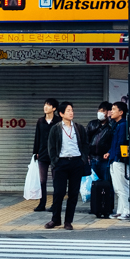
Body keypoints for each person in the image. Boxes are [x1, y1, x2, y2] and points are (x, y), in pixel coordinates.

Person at [45, 101, 89, 230]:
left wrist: (83, 159)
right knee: (59, 192)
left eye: (72, 110)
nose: (71, 113)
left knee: (73, 193)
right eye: (68, 110)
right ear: (61, 113)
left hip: (76, 162)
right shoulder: (56, 128)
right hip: (61, 163)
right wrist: (55, 162)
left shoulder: (79, 128)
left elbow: (86, 144)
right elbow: (51, 147)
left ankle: (68, 221)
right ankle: (55, 219)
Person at [87, 101, 116, 218]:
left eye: (103, 111)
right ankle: (95, 206)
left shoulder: (112, 125)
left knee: (107, 183)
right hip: (93, 158)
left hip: (105, 160)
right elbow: (86, 139)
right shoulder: (93, 124)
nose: (100, 113)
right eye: (99, 110)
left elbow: (114, 141)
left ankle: (108, 207)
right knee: (94, 185)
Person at [30, 98, 58, 212]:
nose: (45, 107)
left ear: (54, 108)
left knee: (56, 180)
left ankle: (55, 204)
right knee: (42, 181)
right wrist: (35, 152)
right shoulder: (40, 121)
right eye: (45, 105)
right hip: (42, 153)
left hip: (55, 154)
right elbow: (37, 137)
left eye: (48, 105)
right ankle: (42, 204)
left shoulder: (58, 121)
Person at [105, 101, 130, 220]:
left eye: (114, 109)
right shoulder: (117, 125)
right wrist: (110, 152)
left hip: (119, 160)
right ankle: (120, 210)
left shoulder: (123, 125)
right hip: (114, 159)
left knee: (122, 187)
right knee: (118, 187)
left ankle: (127, 210)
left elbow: (121, 143)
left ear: (121, 112)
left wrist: (117, 156)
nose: (111, 111)